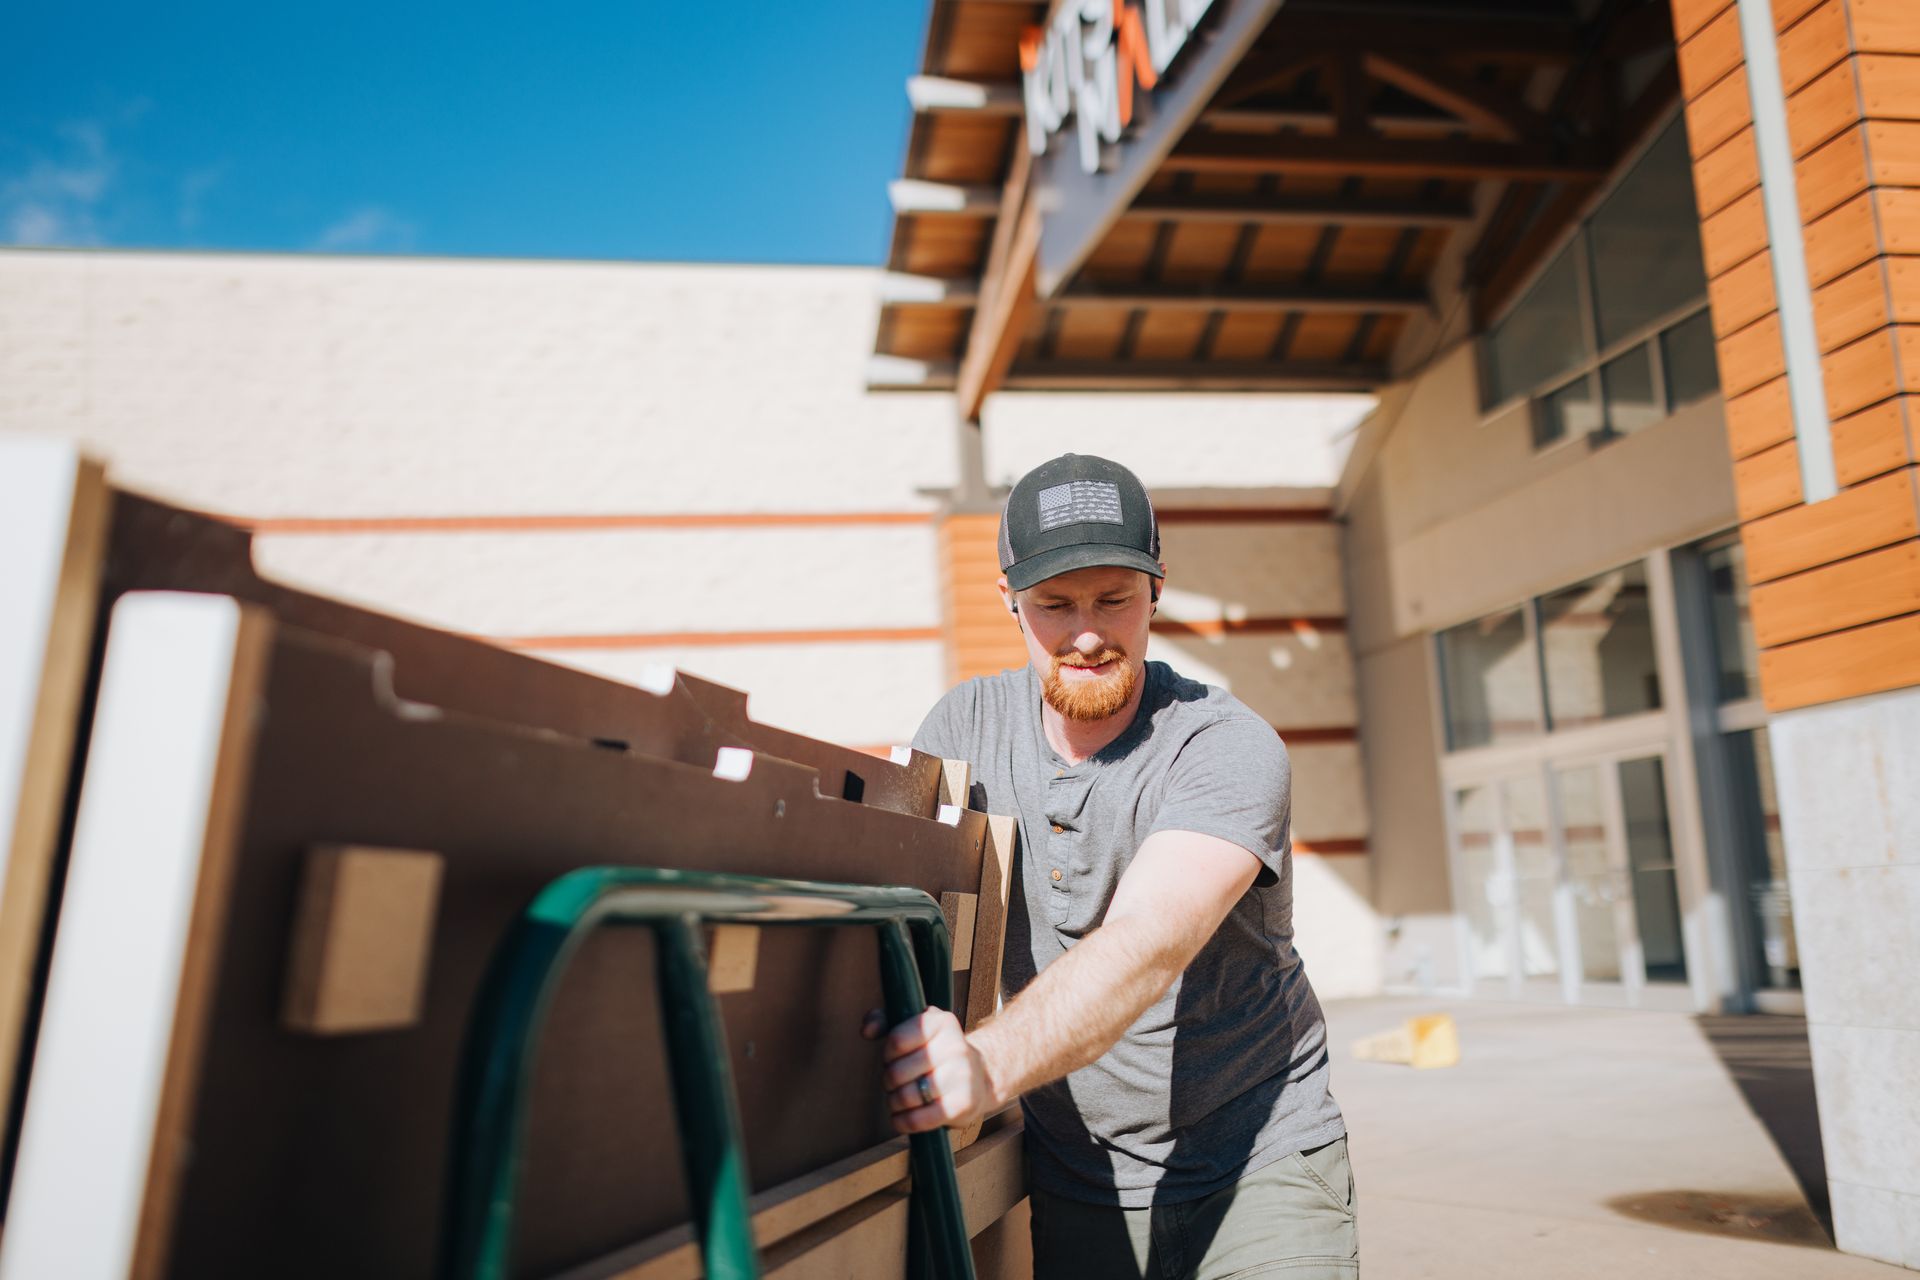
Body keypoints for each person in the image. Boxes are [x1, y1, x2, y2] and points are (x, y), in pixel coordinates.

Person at [868, 453, 1357, 1278]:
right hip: (1081, 1179)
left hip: (1258, 1163)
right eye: (1056, 605)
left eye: (1114, 600)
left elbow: (1152, 938)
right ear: (1010, 601)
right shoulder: (964, 730)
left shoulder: (1224, 745)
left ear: (1157, 589)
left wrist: (983, 1066)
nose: (1088, 633)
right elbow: (903, 907)